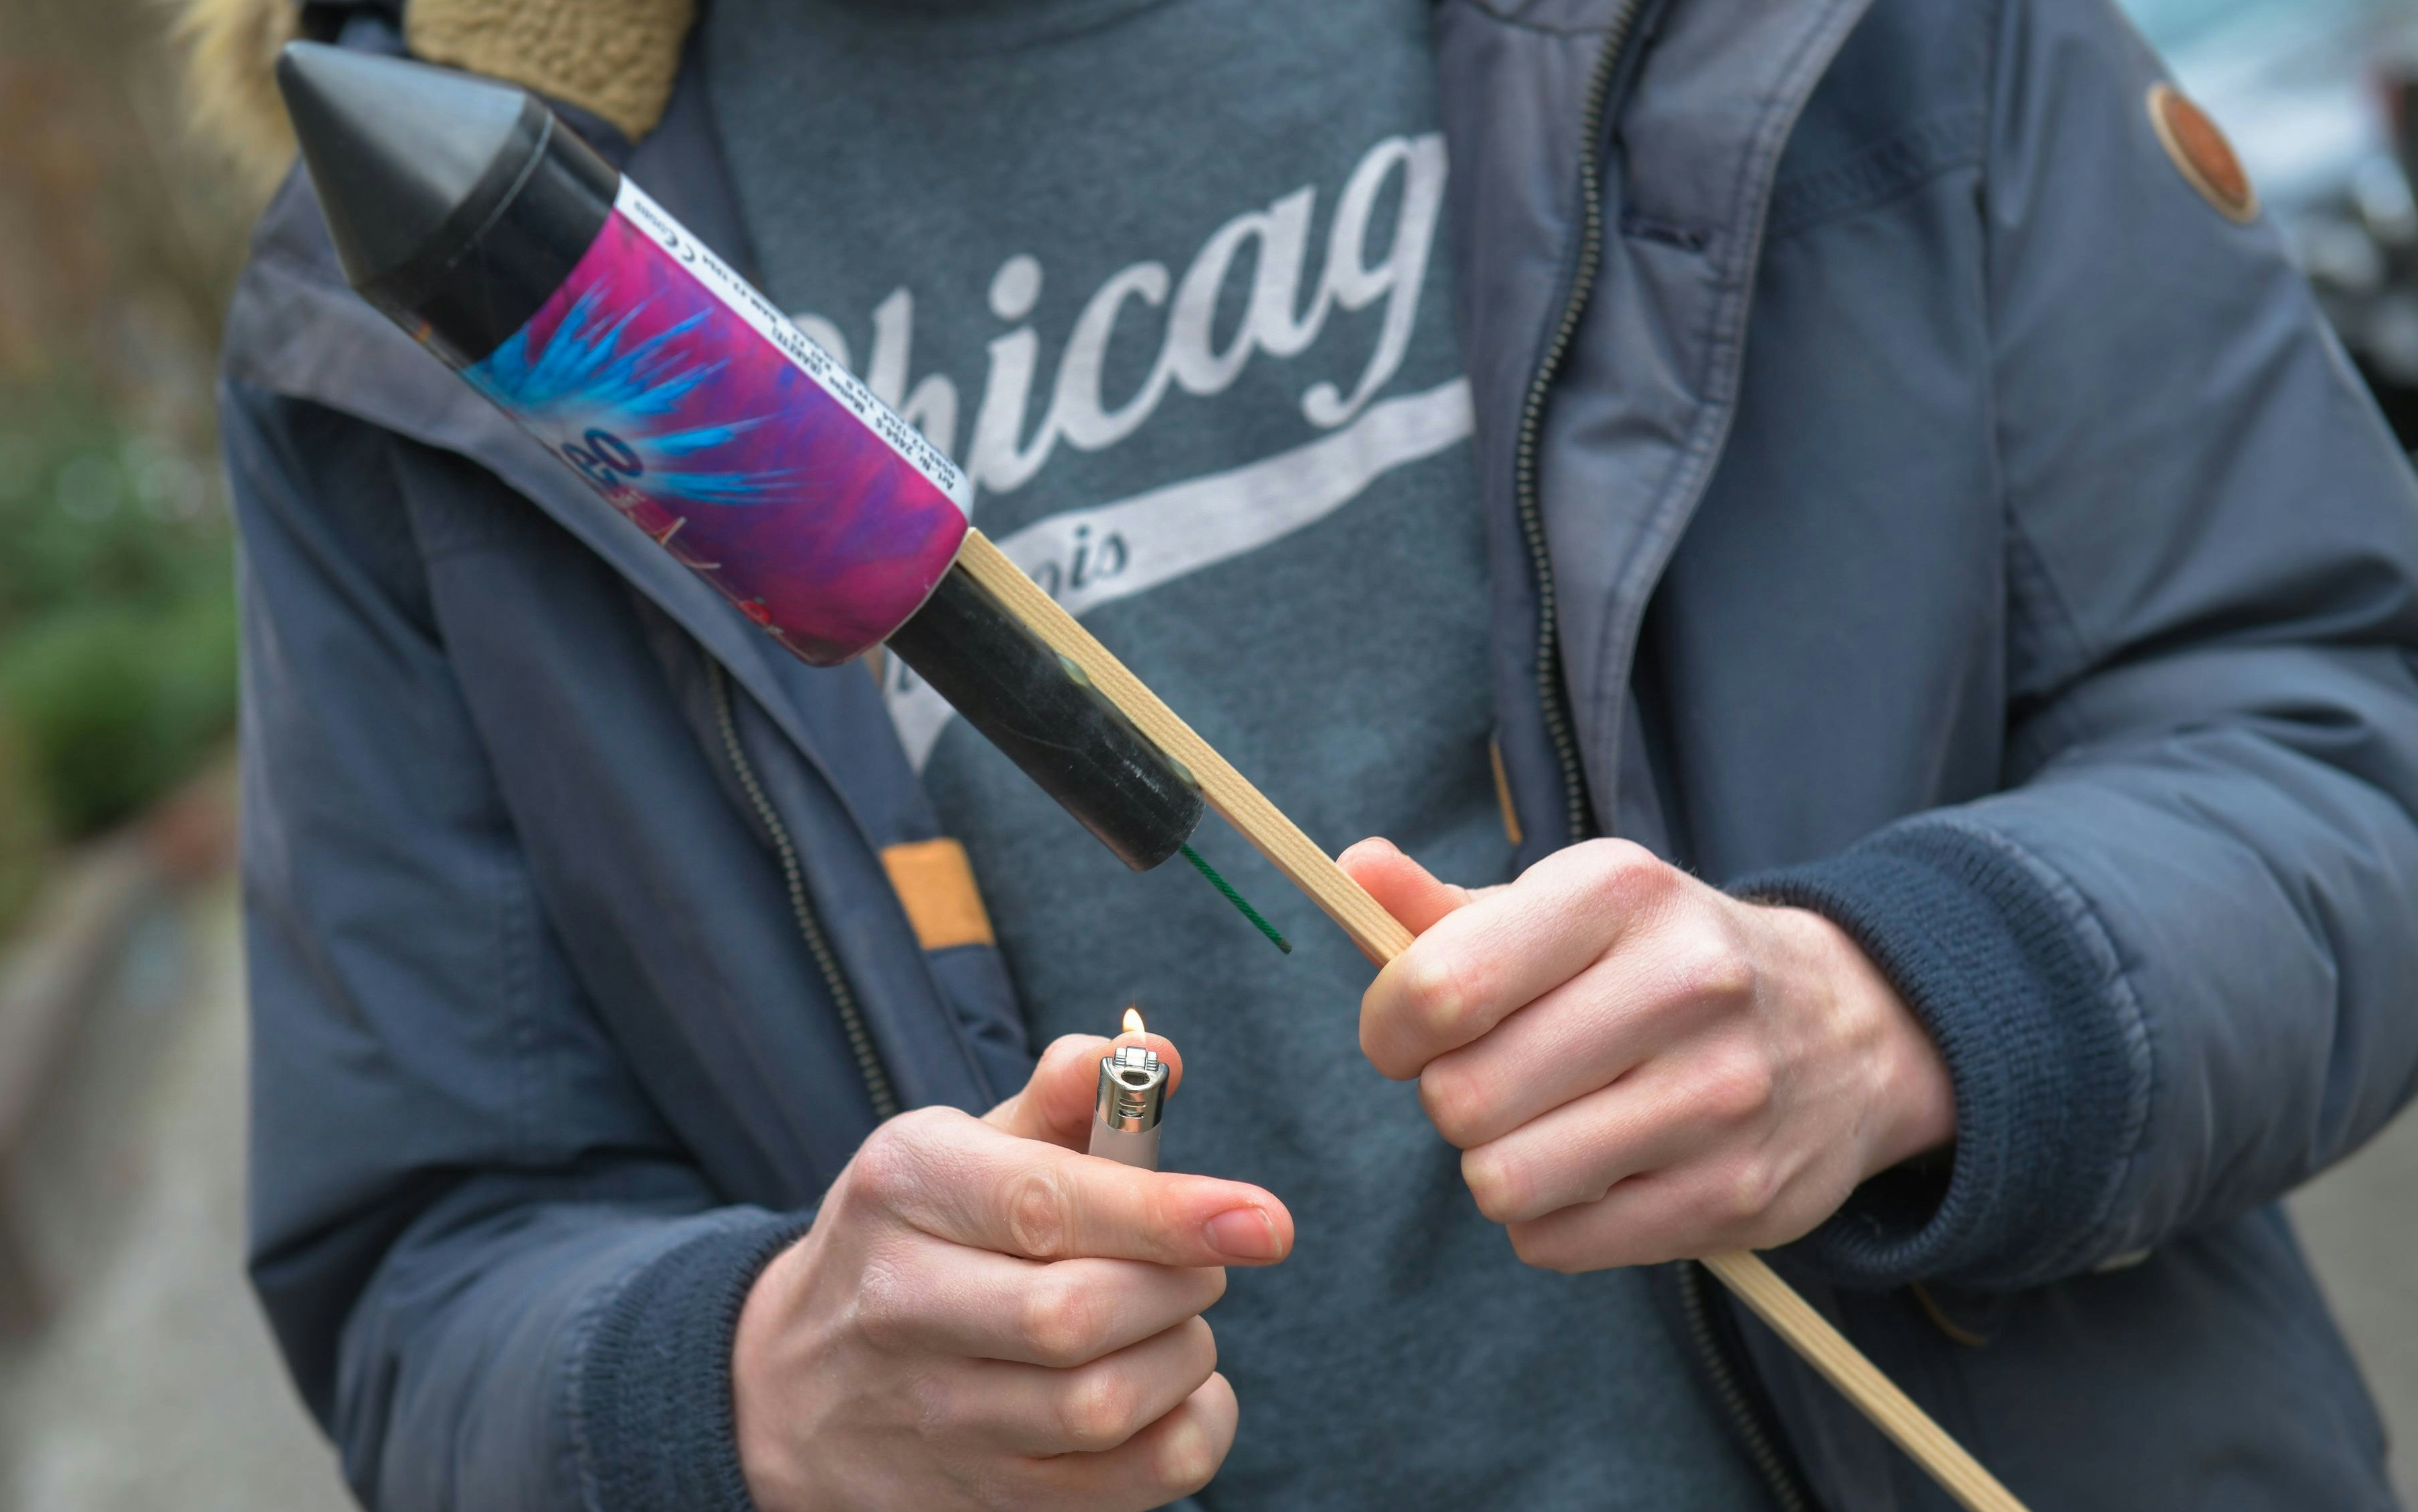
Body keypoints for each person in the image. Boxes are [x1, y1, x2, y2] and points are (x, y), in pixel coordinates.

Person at [196, 0, 2418, 1506]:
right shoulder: (413, 306)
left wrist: (1905, 1009)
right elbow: (435, 1250)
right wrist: (750, 1385)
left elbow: (2338, 733)